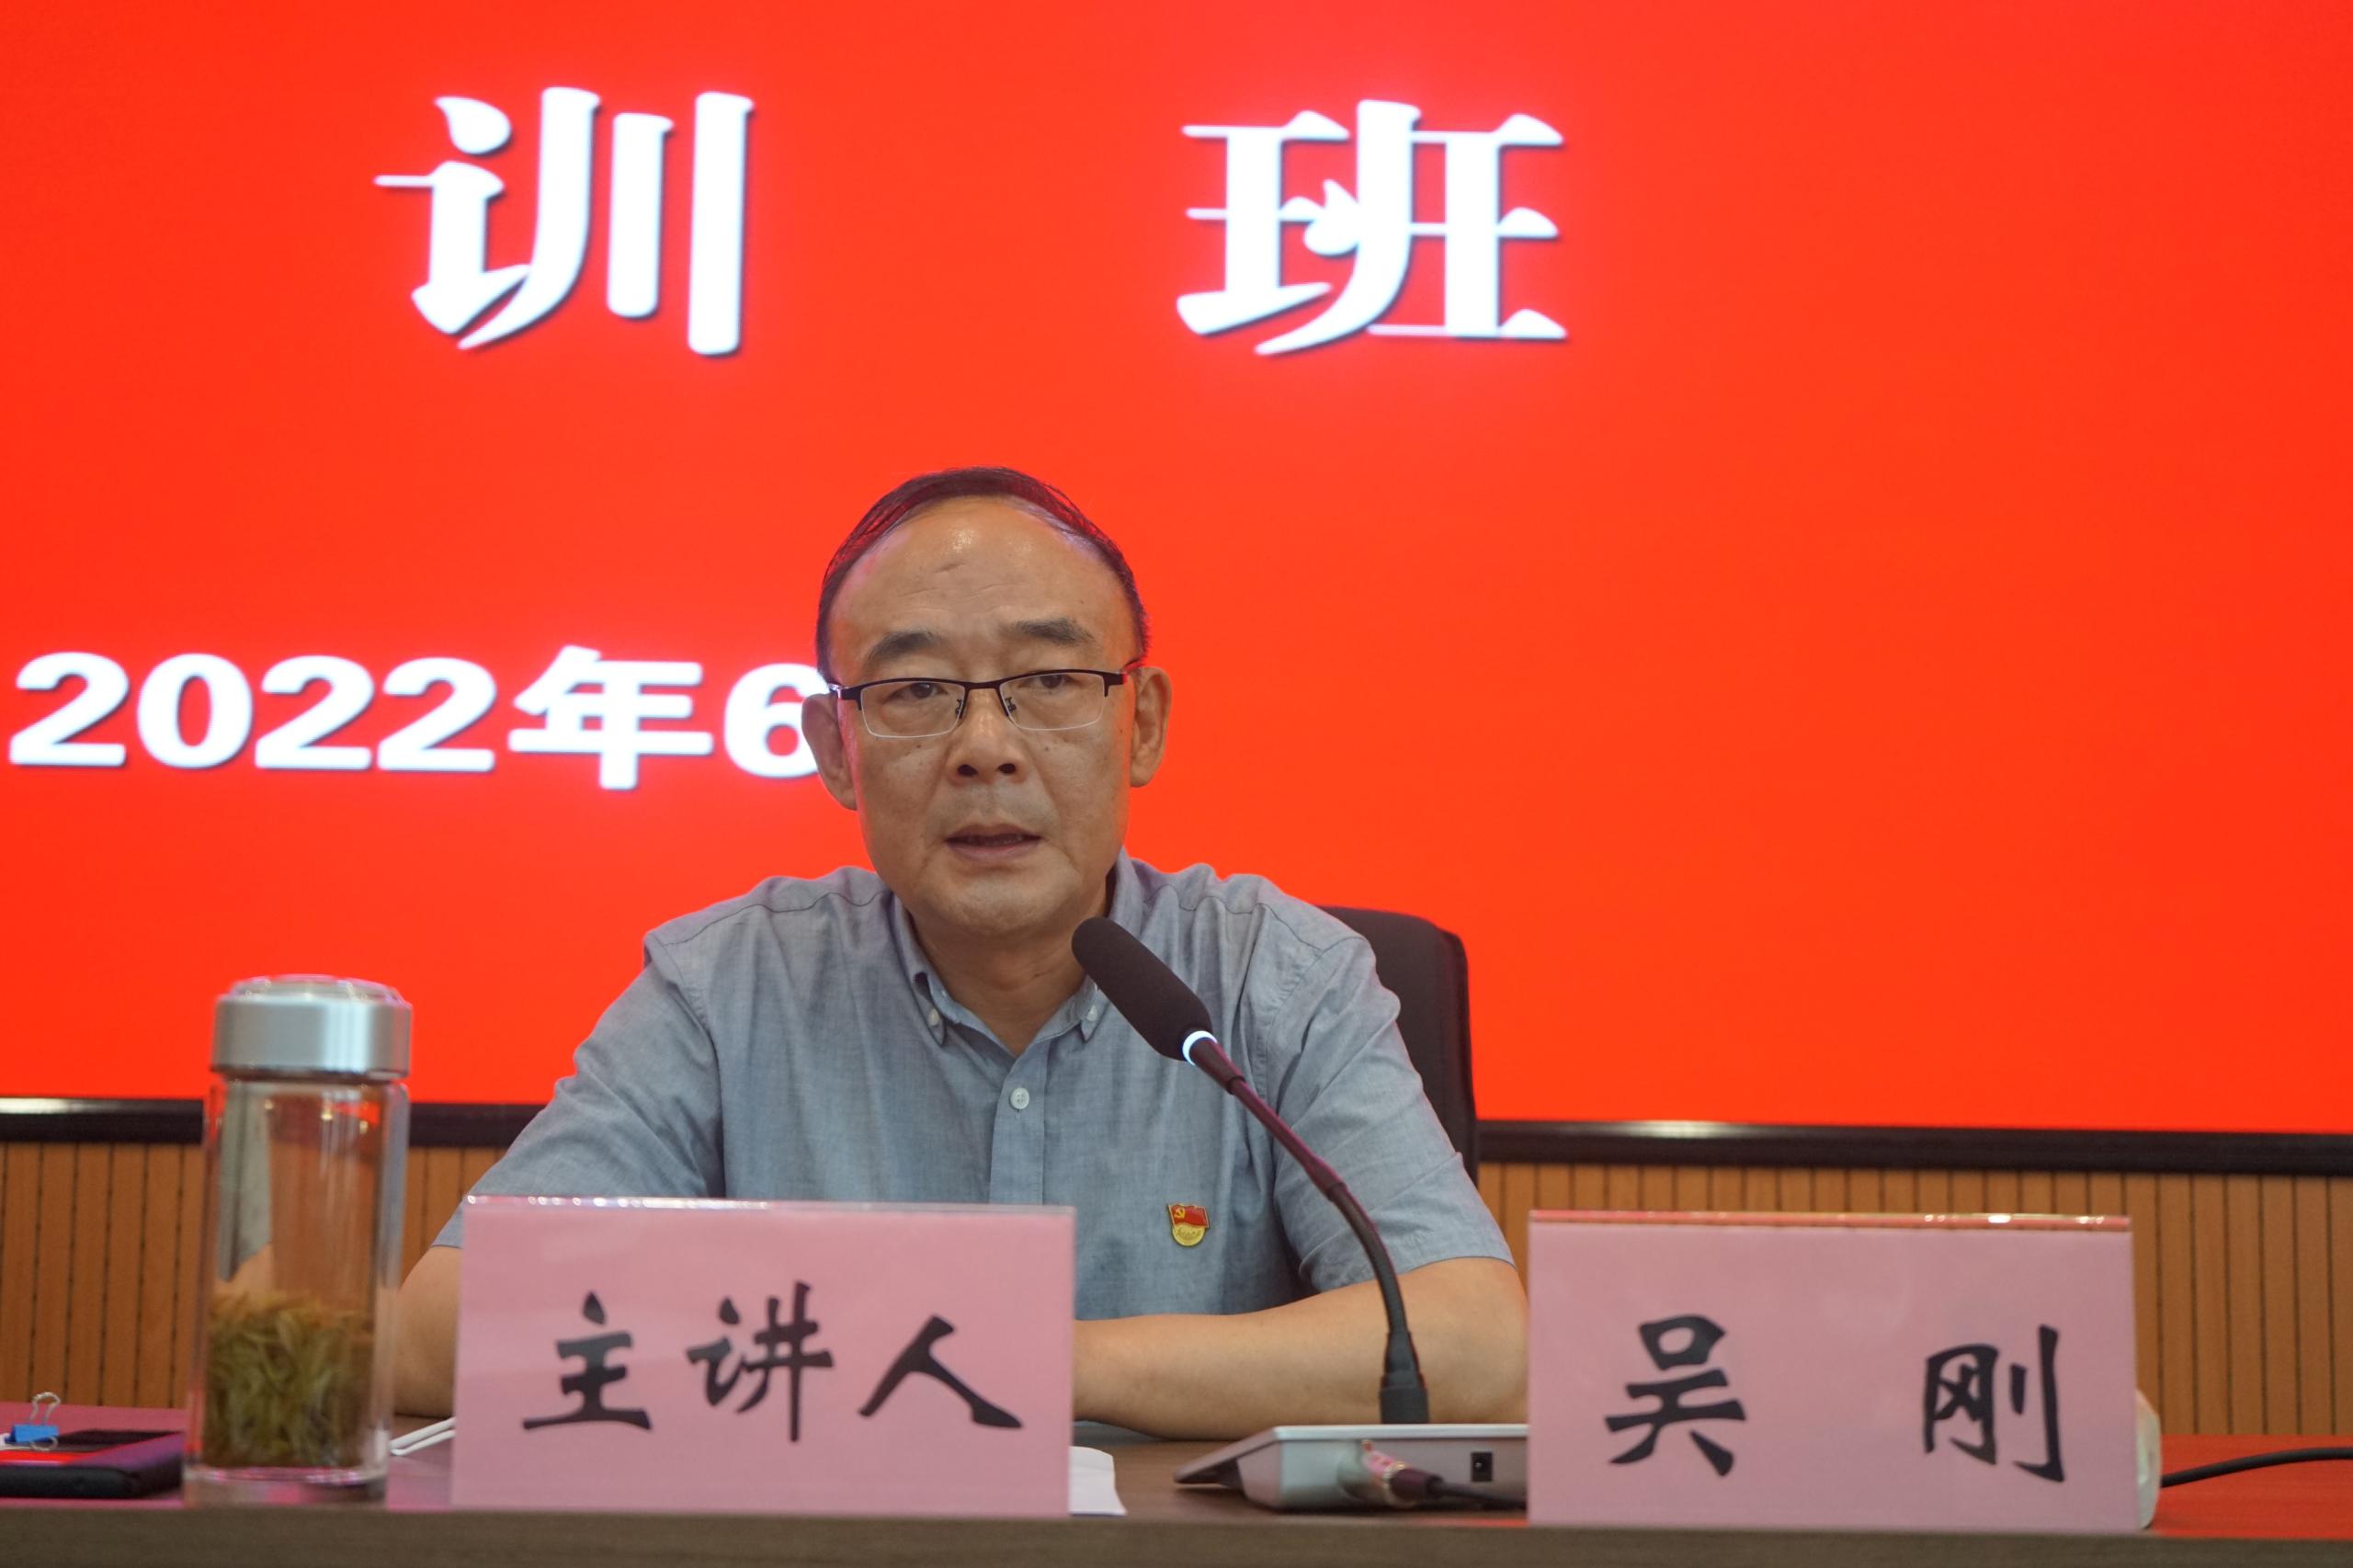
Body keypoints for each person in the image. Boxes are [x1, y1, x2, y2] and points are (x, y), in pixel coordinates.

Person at [392, 466, 1526, 1435]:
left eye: (1049, 682)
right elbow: (435, 1329)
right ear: (834, 749)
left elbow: (1475, 1345)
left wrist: (1024, 1357)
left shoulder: (1277, 976)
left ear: (1142, 724)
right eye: (917, 690)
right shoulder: (726, 989)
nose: (986, 747)